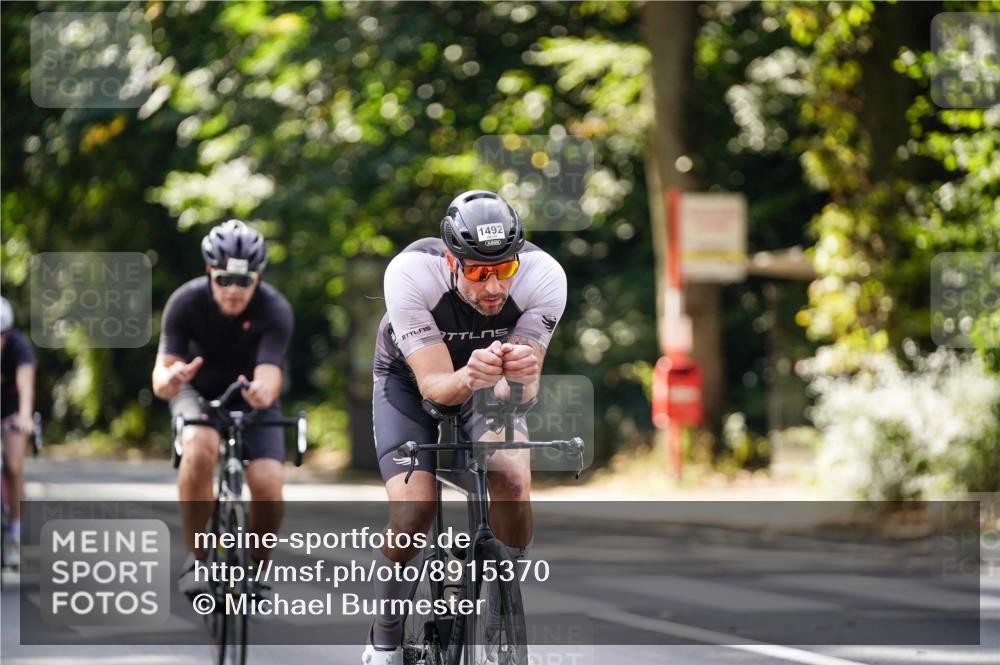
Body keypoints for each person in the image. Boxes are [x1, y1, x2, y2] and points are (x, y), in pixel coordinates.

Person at [363, 191, 567, 664]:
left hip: (486, 380)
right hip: (412, 378)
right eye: (477, 271)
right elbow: (435, 386)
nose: (493, 286)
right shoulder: (411, 272)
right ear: (452, 262)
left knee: (513, 479)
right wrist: (468, 375)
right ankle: (386, 633)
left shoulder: (545, 276)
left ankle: (502, 593)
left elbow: (520, 395)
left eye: (504, 269)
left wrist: (516, 375)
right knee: (413, 512)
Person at [151, 219, 293, 598]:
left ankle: (256, 567)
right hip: (196, 392)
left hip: (251, 396)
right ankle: (198, 559)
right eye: (224, 279)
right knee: (199, 446)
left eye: (244, 281)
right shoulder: (184, 301)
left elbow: (269, 374)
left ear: (258, 277)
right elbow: (160, 380)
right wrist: (173, 377)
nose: (233, 290)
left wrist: (263, 392)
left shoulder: (275, 308)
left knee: (268, 485)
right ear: (208, 273)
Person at [0, 295, 37, 567]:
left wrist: (25, 415)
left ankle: (14, 531)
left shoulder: (19, 347)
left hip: (13, 413)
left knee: (13, 466)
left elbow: (26, 384)